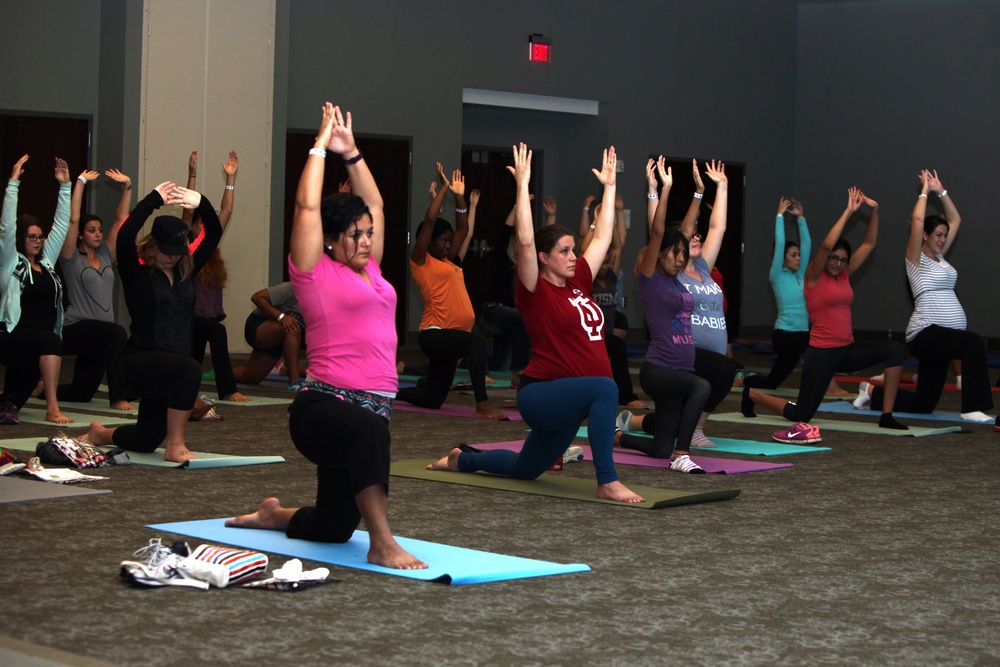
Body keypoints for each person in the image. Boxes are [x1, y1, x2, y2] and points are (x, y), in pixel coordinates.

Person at [226, 102, 426, 570]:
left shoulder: (373, 272)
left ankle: (274, 515)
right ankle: (382, 541)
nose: (364, 241)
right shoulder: (314, 275)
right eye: (354, 235)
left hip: (374, 404)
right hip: (323, 408)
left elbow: (374, 204)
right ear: (331, 240)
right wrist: (320, 146)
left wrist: (352, 153)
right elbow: (307, 205)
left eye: (368, 235)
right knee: (370, 434)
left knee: (334, 528)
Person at [428, 142, 645, 504]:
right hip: (542, 394)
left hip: (570, 401)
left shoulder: (579, 281)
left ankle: (461, 459)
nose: (574, 256)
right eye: (564, 251)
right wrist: (522, 188)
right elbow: (525, 243)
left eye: (574, 249)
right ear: (544, 259)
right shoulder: (534, 290)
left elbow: (604, 237)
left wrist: (609, 188)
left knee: (526, 468)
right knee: (607, 388)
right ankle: (607, 480)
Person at [744, 187, 910, 439]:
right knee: (802, 415)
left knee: (895, 350)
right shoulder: (812, 277)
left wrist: (874, 211)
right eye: (834, 259)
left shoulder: (844, 275)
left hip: (847, 350)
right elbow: (824, 246)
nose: (838, 264)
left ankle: (886, 416)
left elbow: (870, 243)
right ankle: (754, 394)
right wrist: (849, 211)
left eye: (843, 260)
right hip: (821, 354)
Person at [86, 178, 223, 462]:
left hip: (172, 369)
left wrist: (201, 202)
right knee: (191, 369)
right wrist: (153, 200)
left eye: (177, 252)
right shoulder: (136, 272)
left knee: (145, 440)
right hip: (140, 361)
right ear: (153, 245)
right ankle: (176, 445)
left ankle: (100, 434)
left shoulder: (188, 268)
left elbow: (214, 232)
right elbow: (125, 235)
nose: (172, 258)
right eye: (166, 252)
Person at [854, 170, 993, 422]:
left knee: (923, 404)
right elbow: (918, 221)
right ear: (925, 237)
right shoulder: (915, 259)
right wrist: (924, 191)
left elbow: (956, 220)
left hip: (939, 340)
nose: (942, 239)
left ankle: (871, 391)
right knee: (973, 343)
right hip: (925, 333)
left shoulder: (940, 258)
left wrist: (941, 191)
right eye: (938, 235)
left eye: (944, 235)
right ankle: (972, 407)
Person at [616, 156, 710, 473]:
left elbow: (684, 230)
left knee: (658, 448)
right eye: (676, 253)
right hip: (659, 370)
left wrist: (698, 193)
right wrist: (661, 190)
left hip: (678, 370)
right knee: (701, 387)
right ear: (660, 254)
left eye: (684, 254)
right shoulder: (650, 279)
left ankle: (620, 438)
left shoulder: (677, 278)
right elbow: (658, 232)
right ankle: (682, 454)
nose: (681, 258)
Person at [396, 162, 503, 419]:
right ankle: (483, 404)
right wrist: (444, 186)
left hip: (452, 335)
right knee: (476, 343)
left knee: (432, 400)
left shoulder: (449, 260)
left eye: (448, 241)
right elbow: (430, 219)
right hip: (435, 333)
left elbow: (464, 229)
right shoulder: (421, 261)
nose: (447, 245)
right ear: (429, 242)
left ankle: (390, 391)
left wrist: (459, 196)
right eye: (442, 241)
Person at [741, 197, 848, 409]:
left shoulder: (802, 275)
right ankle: (830, 385)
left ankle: (744, 382)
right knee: (819, 351)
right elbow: (780, 244)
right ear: (782, 258)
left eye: (798, 255)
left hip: (801, 334)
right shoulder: (777, 276)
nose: (799, 258)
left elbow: (808, 245)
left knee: (772, 382)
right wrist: (779, 217)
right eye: (793, 255)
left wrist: (801, 218)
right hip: (786, 336)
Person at [0, 155, 73, 423]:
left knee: (11, 405)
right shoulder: (10, 262)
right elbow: (6, 227)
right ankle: (52, 407)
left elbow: (61, 226)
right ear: (21, 239)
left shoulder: (46, 262)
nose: (38, 241)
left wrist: (65, 187)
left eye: (40, 237)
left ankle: (20, 391)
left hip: (36, 345)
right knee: (52, 341)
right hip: (11, 337)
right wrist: (13, 183)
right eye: (32, 237)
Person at [56, 167, 133, 410]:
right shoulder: (70, 258)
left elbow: (121, 220)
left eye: (99, 230)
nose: (98, 234)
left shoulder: (105, 254)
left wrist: (127, 186)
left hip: (100, 336)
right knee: (119, 333)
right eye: (92, 230)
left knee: (81, 393)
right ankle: (118, 397)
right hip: (76, 328)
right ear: (80, 236)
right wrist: (79, 183)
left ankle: (39, 388)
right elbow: (73, 219)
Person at [675, 159, 737, 448]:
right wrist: (698, 193)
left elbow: (719, 228)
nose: (697, 236)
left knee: (670, 420)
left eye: (697, 235)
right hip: (687, 352)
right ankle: (697, 430)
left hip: (709, 354)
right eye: (690, 236)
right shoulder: (671, 275)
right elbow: (683, 230)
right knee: (725, 370)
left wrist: (722, 187)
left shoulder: (702, 268)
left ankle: (630, 422)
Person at [183, 150, 249, 402]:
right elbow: (187, 211)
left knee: (194, 358)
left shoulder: (210, 244)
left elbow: (226, 210)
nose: (204, 227)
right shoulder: (187, 246)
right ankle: (228, 389)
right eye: (200, 223)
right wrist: (192, 174)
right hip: (189, 316)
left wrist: (230, 179)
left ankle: (187, 385)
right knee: (217, 333)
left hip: (205, 317)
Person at [233, 282, 305, 389]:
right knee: (293, 327)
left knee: (249, 378)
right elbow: (257, 297)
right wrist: (282, 317)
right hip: (259, 327)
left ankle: (221, 371)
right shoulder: (292, 288)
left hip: (281, 338)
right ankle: (294, 380)